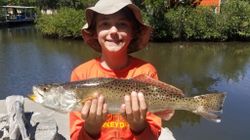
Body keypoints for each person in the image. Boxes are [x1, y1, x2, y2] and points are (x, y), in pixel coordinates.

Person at [70, 0, 174, 139]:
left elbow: (153, 136)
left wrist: (139, 126)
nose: (113, 31)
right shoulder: (81, 74)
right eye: (105, 24)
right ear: (94, 32)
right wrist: (91, 128)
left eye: (122, 24)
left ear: (133, 33)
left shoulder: (147, 71)